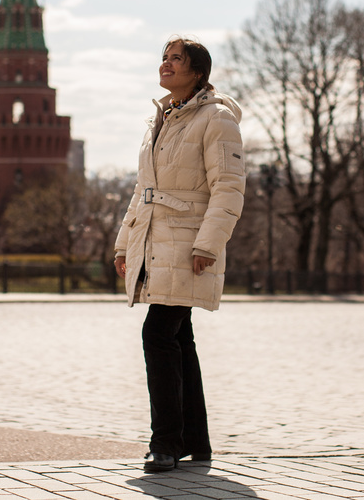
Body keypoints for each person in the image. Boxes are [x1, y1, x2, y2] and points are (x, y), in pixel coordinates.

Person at [114, 36, 246, 473]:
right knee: (177, 338)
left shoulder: (216, 119)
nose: (166, 65)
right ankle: (194, 441)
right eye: (164, 58)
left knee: (158, 334)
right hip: (156, 242)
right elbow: (143, 191)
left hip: (187, 243)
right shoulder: (162, 119)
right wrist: (123, 244)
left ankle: (166, 443)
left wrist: (208, 243)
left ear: (198, 73)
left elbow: (228, 187)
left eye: (177, 60)